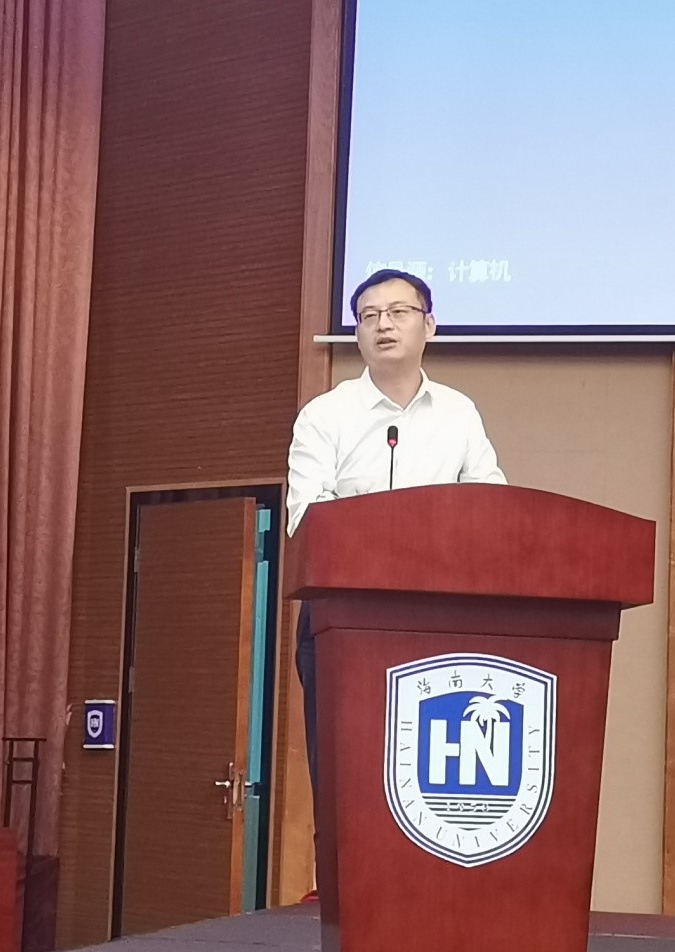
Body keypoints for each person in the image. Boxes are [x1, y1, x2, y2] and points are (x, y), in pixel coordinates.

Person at [285, 268, 506, 892]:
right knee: (347, 764)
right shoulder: (326, 415)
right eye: (369, 315)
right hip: (342, 621)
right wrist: (404, 530)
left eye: (399, 312)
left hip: (438, 618)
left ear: (428, 325)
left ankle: (428, 889)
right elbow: (307, 518)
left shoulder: (458, 413)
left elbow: (492, 505)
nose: (383, 325)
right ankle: (343, 892)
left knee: (427, 765)